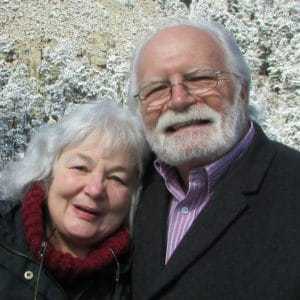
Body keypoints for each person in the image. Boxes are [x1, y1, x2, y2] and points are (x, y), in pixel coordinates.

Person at [128, 18, 300, 300]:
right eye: (156, 89)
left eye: (200, 79)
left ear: (243, 90)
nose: (179, 100)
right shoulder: (130, 186)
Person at [0, 100, 148, 300]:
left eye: (116, 178)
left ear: (133, 196)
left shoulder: (140, 276)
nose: (95, 189)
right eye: (80, 168)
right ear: (47, 171)